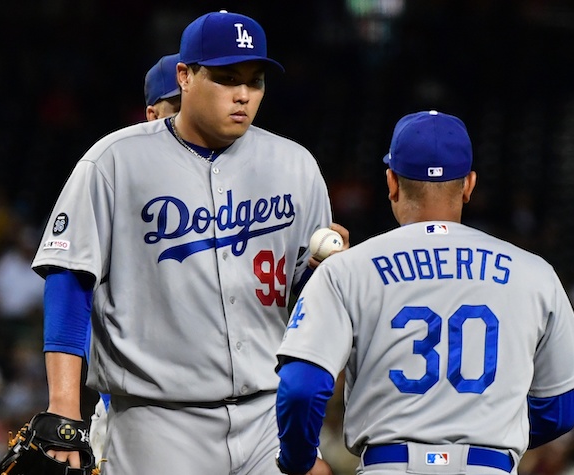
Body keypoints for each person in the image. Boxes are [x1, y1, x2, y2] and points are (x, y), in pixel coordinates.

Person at [31, 10, 345, 475]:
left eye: (254, 81)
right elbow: (69, 278)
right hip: (157, 420)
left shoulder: (295, 165)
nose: (242, 94)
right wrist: (63, 405)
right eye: (225, 78)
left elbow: (300, 292)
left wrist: (317, 279)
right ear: (185, 76)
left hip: (265, 415)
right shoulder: (115, 161)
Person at [274, 110, 574, 475]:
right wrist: (497, 438)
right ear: (469, 185)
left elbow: (301, 389)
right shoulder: (535, 272)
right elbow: (560, 409)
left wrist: (298, 462)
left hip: (389, 466)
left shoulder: (347, 269)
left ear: (392, 182)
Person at [86, 52, 182, 467]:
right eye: (176, 105)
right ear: (150, 114)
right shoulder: (116, 178)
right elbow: (69, 282)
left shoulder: (242, 190)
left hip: (240, 412)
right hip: (136, 411)